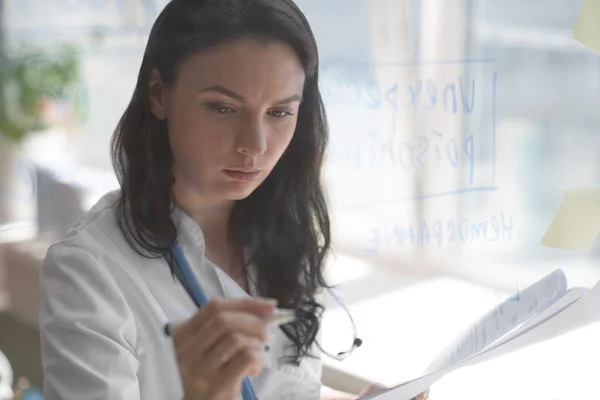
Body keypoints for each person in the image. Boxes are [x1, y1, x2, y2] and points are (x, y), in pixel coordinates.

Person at [38, 1, 430, 399]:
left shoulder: (286, 237)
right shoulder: (88, 268)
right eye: (223, 108)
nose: (254, 146)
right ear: (159, 94)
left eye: (279, 113)